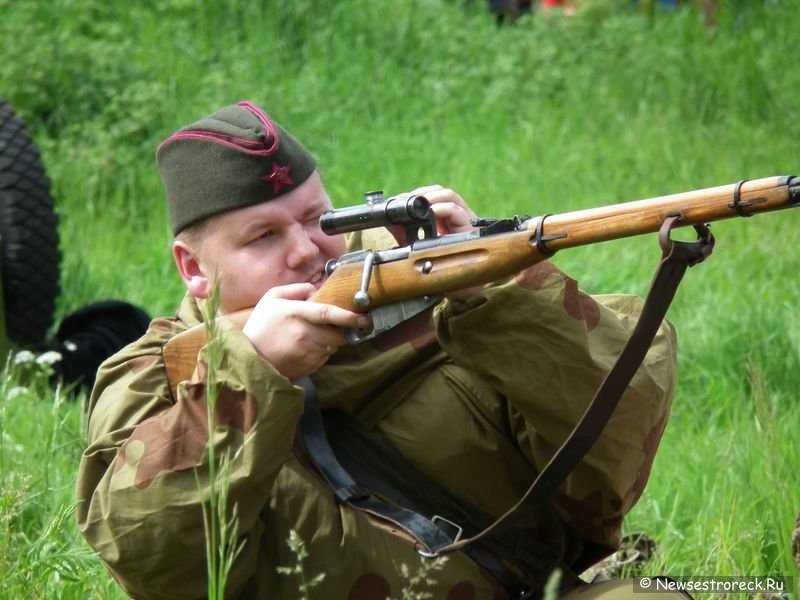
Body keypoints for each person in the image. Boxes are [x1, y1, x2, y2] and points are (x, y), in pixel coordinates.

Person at [76, 101, 683, 599]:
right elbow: (151, 560)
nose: (307, 251)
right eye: (263, 236)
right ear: (194, 269)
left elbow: (619, 441)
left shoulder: (426, 280)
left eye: (316, 217)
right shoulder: (152, 377)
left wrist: (495, 290)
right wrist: (250, 376)